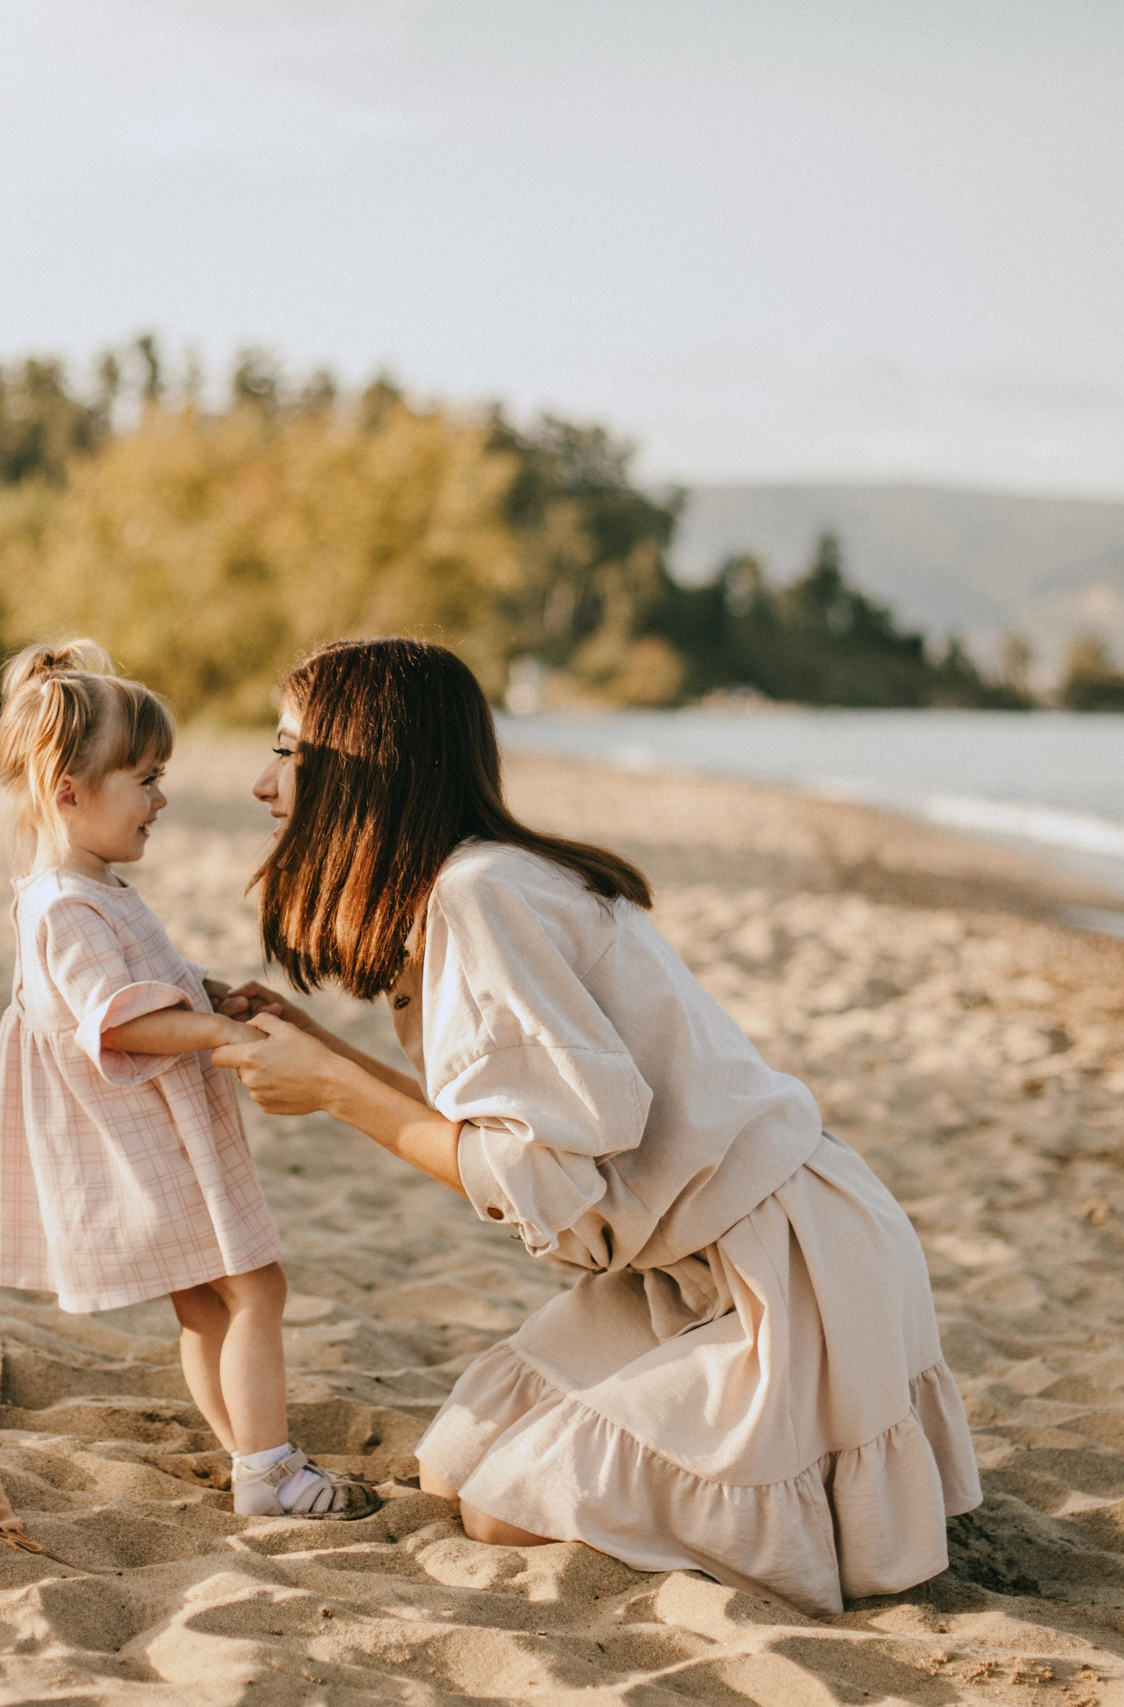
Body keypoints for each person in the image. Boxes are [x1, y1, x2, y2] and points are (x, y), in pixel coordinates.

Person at [211, 638, 981, 1611]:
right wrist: (323, 1050)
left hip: (786, 1268)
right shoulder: (473, 884)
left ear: (367, 773)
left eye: (288, 753)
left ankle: (807, 1500)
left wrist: (331, 1086)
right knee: (457, 1467)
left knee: (500, 1510)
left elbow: (541, 1173)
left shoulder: (478, 894)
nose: (261, 784)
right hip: (690, 1265)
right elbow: (510, 1129)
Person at [0, 640, 374, 1521]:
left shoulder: (91, 885)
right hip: (143, 1129)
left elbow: (148, 973)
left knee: (206, 1302)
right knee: (256, 1288)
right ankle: (266, 1466)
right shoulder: (64, 903)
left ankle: (253, 1452)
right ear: (67, 791)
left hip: (153, 1125)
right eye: (145, 779)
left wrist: (211, 987)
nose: (162, 797)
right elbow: (117, 1016)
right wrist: (215, 1029)